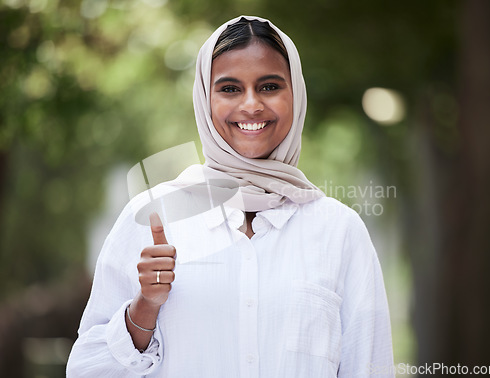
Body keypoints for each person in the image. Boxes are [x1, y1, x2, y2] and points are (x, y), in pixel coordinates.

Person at [67, 15, 394, 377]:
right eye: (230, 89)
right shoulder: (152, 219)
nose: (251, 105)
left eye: (270, 86)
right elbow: (86, 370)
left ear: (296, 94)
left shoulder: (339, 231)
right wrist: (144, 308)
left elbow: (369, 366)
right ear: (204, 100)